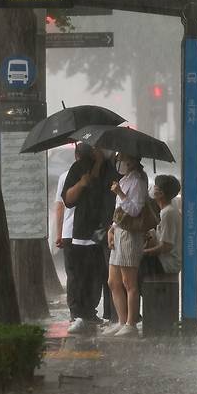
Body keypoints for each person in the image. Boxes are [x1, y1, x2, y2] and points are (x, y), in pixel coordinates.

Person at [61, 143, 120, 333]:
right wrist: (81, 183)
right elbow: (68, 200)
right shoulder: (79, 168)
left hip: (105, 229)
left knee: (100, 274)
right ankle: (78, 314)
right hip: (82, 231)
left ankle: (93, 312)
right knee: (80, 274)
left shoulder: (112, 170)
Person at [104, 153, 149, 337]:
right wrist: (112, 228)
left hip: (130, 235)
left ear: (131, 159)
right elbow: (119, 212)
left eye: (121, 157)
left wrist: (120, 194)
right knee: (113, 281)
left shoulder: (137, 181)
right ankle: (121, 321)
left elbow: (135, 210)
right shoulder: (125, 179)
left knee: (128, 282)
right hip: (119, 231)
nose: (118, 161)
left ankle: (131, 323)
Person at [54, 144, 91, 325]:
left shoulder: (64, 176)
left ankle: (78, 311)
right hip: (81, 233)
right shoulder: (71, 177)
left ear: (76, 155)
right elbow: (61, 205)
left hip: (72, 233)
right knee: (83, 274)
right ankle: (81, 311)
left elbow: (59, 207)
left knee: (75, 274)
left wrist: (58, 233)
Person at [142, 175, 182, 275]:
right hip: (165, 260)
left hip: (167, 263)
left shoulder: (168, 213)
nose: (152, 188)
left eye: (155, 186)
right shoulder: (167, 211)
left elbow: (166, 246)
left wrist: (144, 252)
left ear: (161, 193)